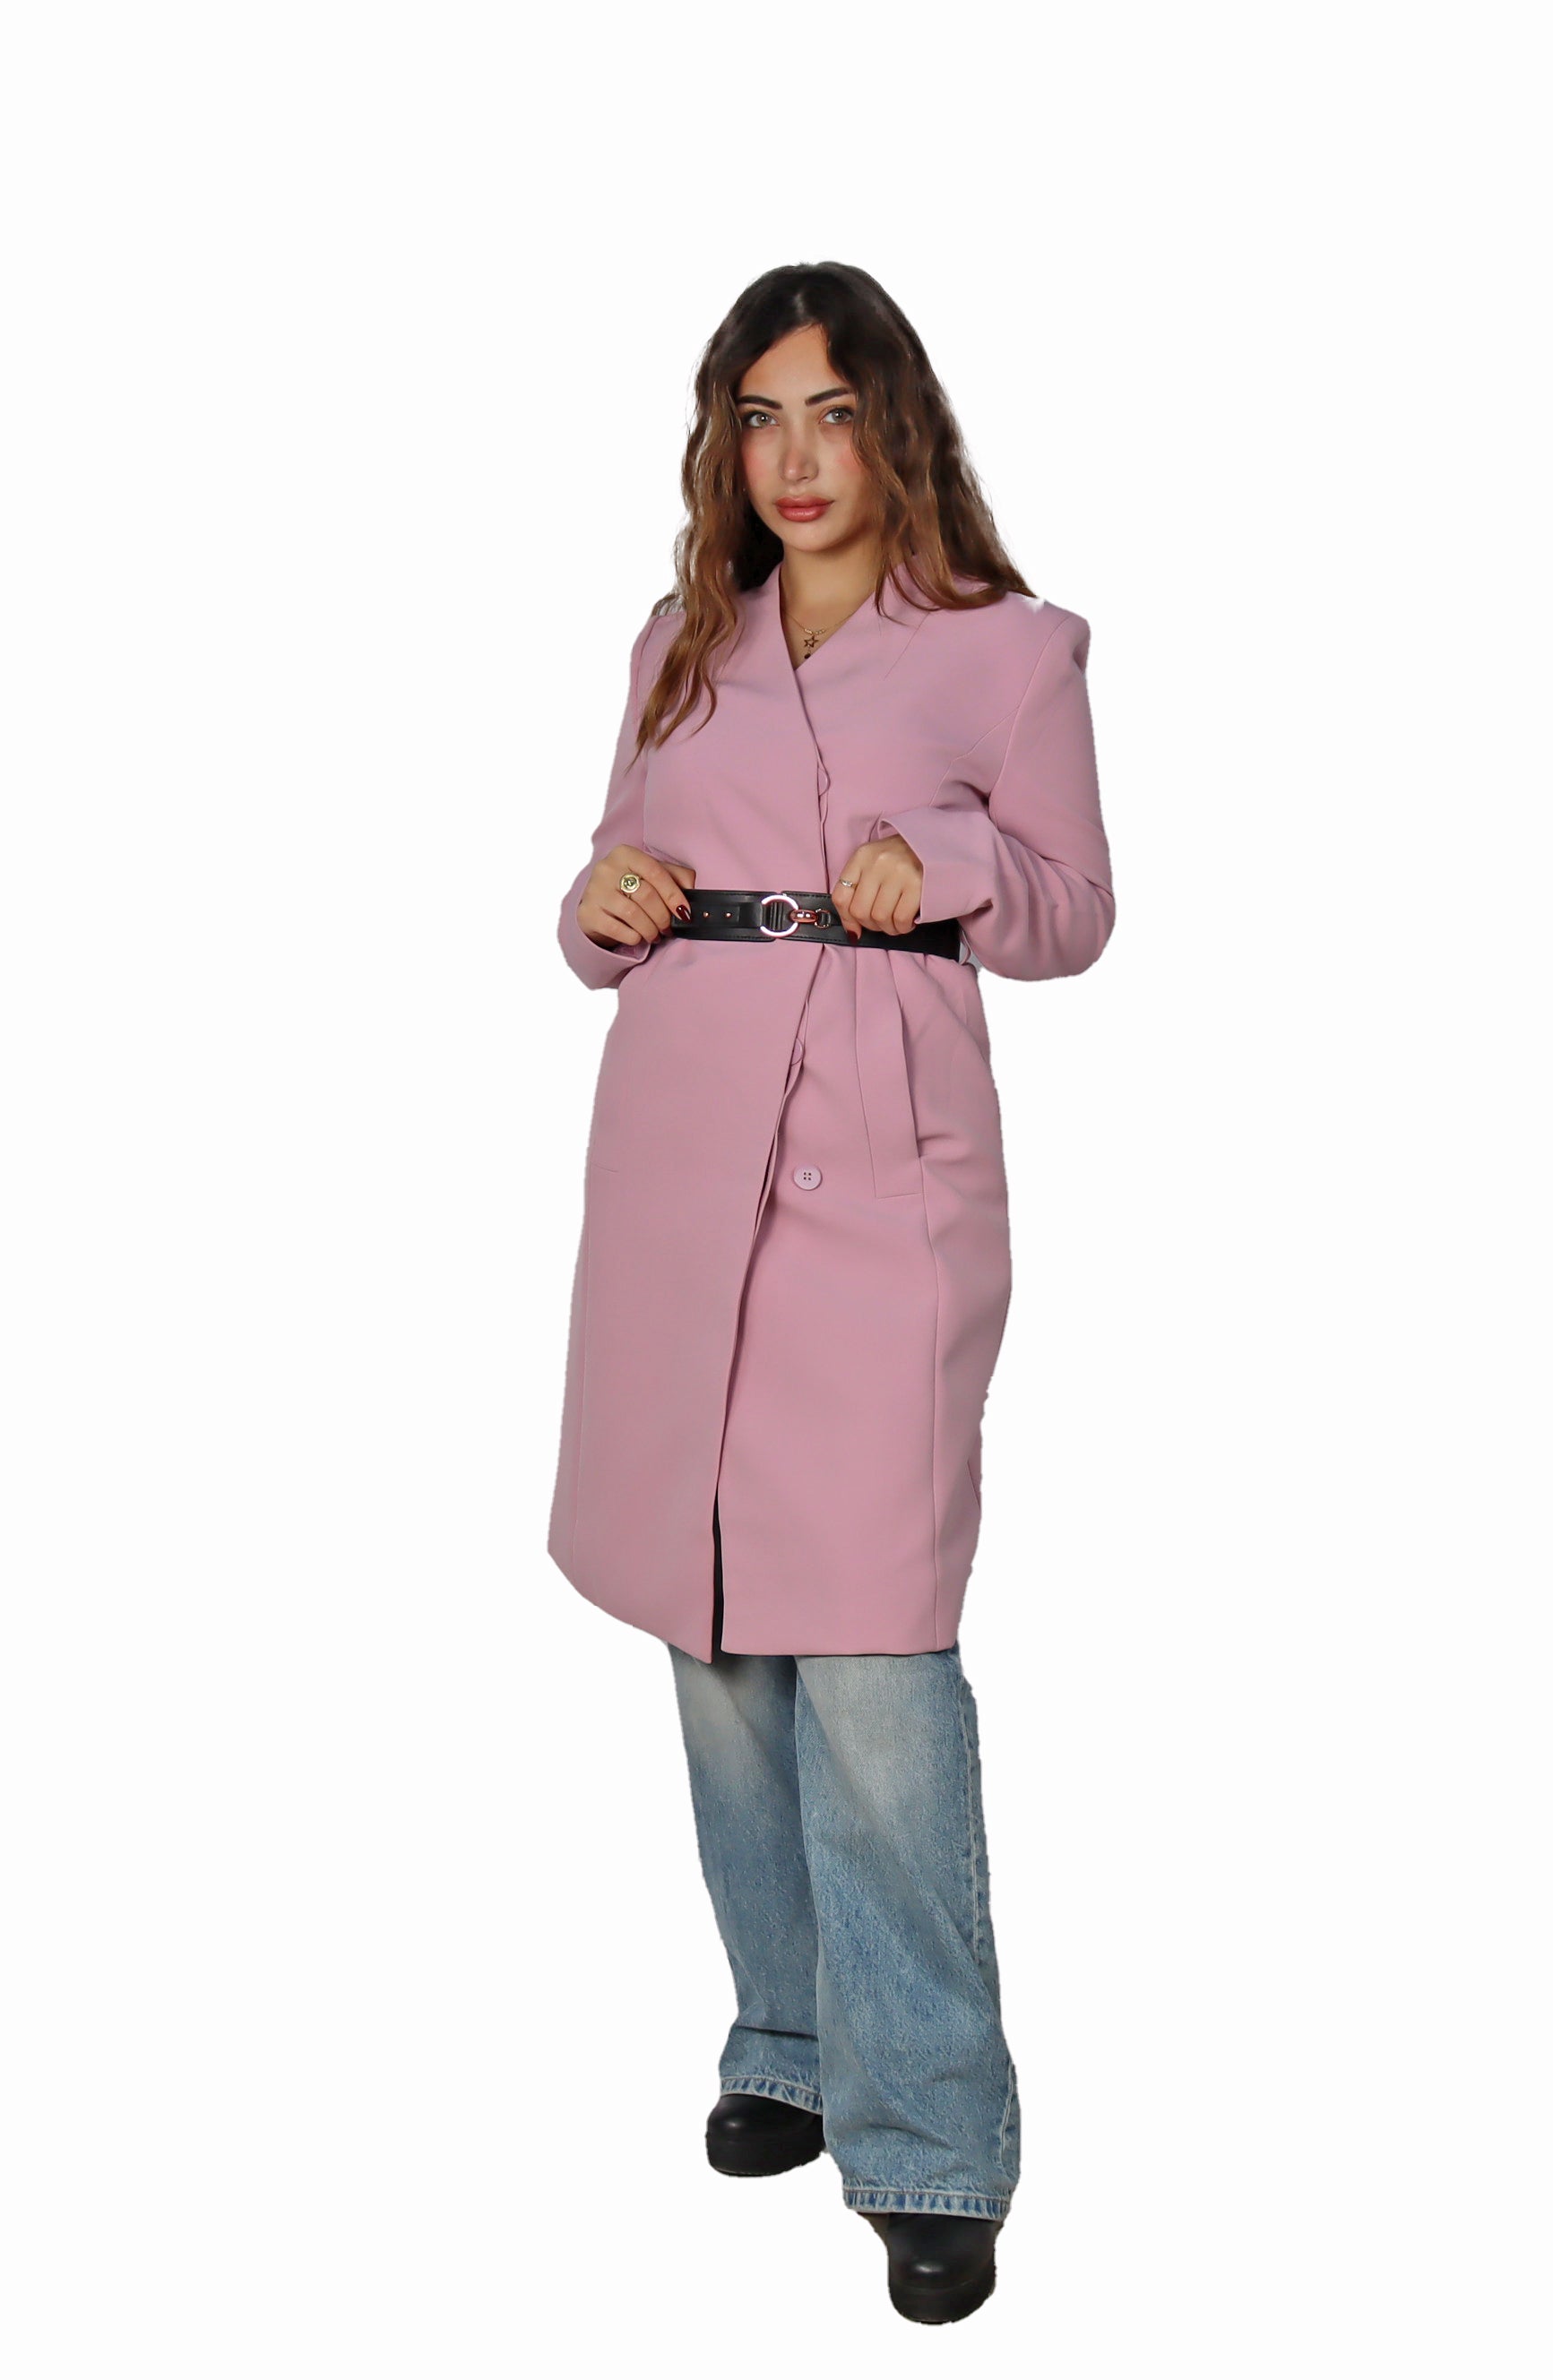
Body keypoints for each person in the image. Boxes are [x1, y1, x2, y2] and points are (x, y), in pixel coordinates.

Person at [547, 261, 1116, 2326]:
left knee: (873, 1651)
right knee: (715, 1631)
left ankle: (934, 2130)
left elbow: (1074, 911)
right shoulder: (679, 643)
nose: (795, 458)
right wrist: (598, 905)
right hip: (680, 1159)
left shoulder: (1009, 649)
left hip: (880, 1183)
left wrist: (950, 855)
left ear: (897, 427)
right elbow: (615, 879)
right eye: (759, 416)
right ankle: (785, 2035)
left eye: (833, 413)